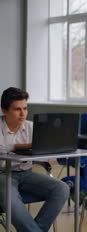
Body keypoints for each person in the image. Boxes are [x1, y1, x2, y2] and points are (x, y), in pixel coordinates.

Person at [0, 87, 69, 232]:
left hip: (26, 173)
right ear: (4, 110)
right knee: (11, 201)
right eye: (17, 109)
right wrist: (29, 145)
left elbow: (49, 153)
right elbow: (2, 150)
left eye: (25, 108)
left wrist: (54, 145)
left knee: (62, 188)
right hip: (3, 175)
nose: (22, 113)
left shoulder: (33, 127)